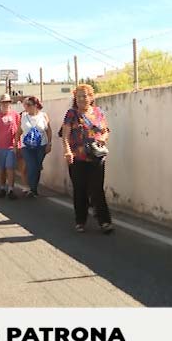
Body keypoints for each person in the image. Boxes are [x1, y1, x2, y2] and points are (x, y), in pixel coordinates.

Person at [61, 84, 113, 234]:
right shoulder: (72, 114)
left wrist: (103, 138)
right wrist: (68, 152)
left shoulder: (98, 112)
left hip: (96, 157)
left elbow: (105, 131)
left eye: (85, 96)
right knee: (80, 190)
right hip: (77, 158)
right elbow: (65, 136)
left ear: (91, 97)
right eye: (78, 96)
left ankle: (104, 221)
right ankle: (80, 221)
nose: (82, 99)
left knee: (97, 190)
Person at [18, 96, 52, 198]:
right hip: (26, 146)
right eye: (26, 105)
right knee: (31, 166)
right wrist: (16, 144)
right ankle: (31, 188)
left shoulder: (43, 116)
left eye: (29, 105)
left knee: (37, 167)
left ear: (36, 105)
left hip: (41, 145)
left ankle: (34, 189)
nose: (26, 107)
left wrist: (49, 143)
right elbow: (19, 131)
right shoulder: (23, 116)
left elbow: (48, 130)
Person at [0, 93, 21, 199]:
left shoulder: (15, 115)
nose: (5, 104)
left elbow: (19, 130)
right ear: (0, 104)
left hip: (11, 146)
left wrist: (17, 144)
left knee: (10, 168)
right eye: (3, 102)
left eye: (7, 102)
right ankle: (2, 188)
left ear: (10, 103)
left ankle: (11, 190)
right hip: (0, 147)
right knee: (2, 169)